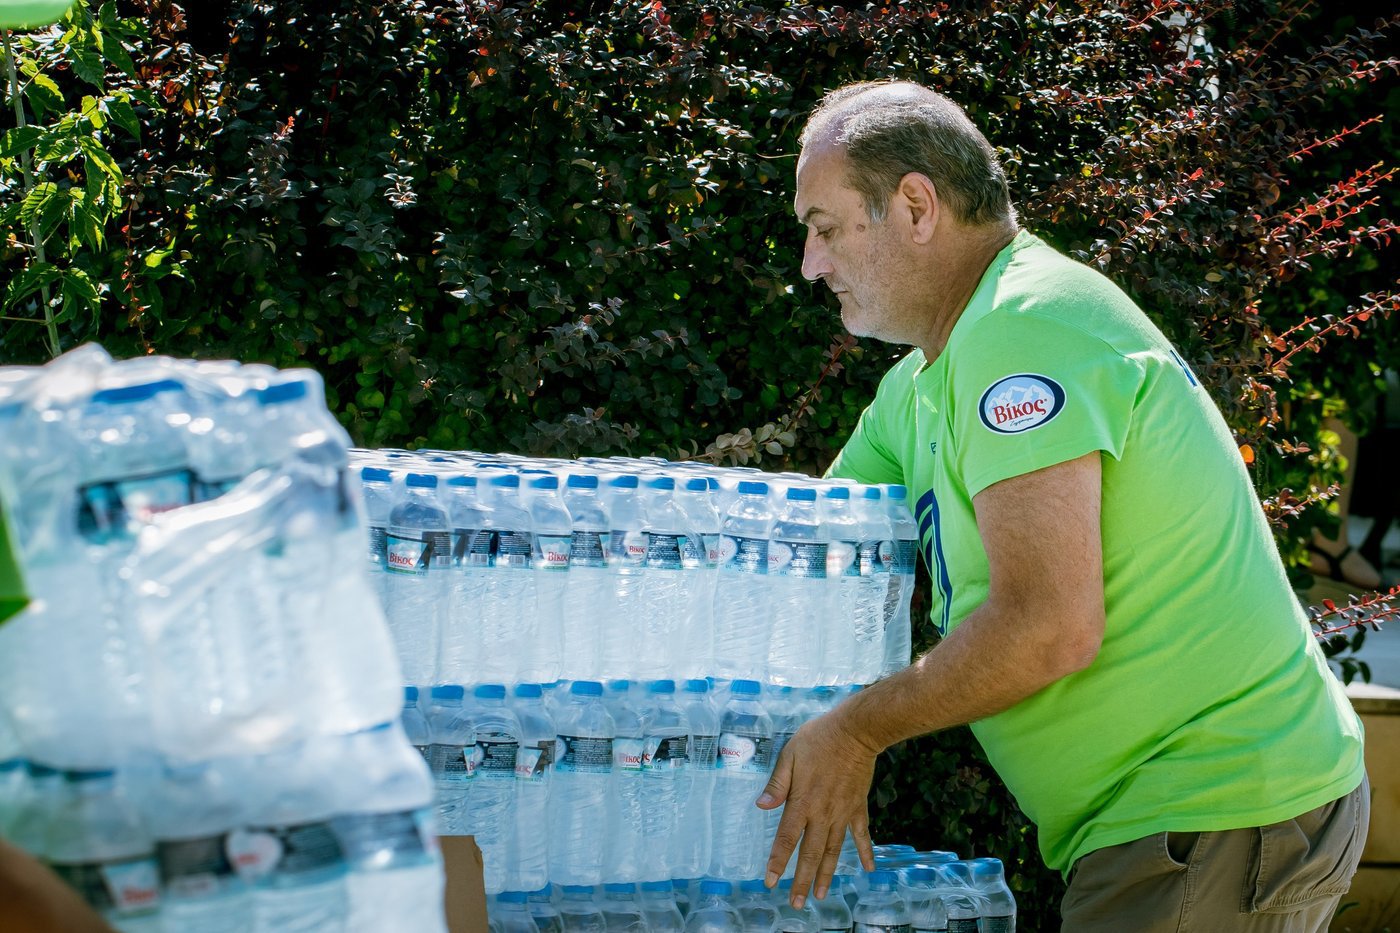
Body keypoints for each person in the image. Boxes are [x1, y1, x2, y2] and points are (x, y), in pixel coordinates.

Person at [758, 80, 1369, 932]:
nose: (811, 264)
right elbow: (794, 553)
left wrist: (856, 730)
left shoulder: (1020, 326)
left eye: (824, 228)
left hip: (1213, 809)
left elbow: (1049, 626)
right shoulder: (929, 378)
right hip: (1188, 819)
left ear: (916, 207)